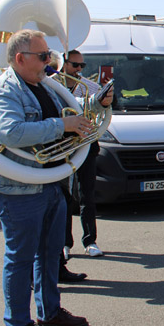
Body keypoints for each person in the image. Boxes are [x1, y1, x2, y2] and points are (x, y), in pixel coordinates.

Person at [0, 29, 99, 326]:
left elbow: (70, 111)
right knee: (20, 257)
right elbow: (10, 132)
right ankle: (17, 325)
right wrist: (63, 125)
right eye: (44, 56)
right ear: (20, 58)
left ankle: (49, 312)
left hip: (48, 181)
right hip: (17, 187)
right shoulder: (4, 88)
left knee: (49, 253)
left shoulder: (44, 84)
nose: (50, 61)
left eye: (50, 55)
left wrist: (95, 105)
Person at [60, 50, 108, 260]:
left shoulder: (90, 86)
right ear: (63, 64)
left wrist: (106, 97)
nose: (79, 69)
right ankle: (64, 243)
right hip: (62, 147)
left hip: (86, 145)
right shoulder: (52, 85)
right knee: (63, 197)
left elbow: (105, 109)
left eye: (82, 66)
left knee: (86, 195)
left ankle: (90, 241)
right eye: (75, 65)